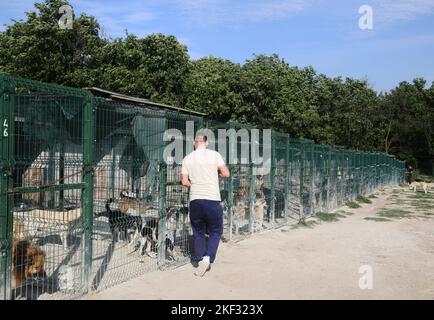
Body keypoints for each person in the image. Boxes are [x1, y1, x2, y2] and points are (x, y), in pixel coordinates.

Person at [181, 133, 230, 277]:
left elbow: (184, 182)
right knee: (216, 231)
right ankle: (208, 258)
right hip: (212, 199)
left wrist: (195, 185)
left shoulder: (187, 158)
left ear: (194, 142)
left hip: (195, 199)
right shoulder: (215, 155)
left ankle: (200, 259)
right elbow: (226, 173)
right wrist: (216, 174)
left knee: (198, 231)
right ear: (206, 142)